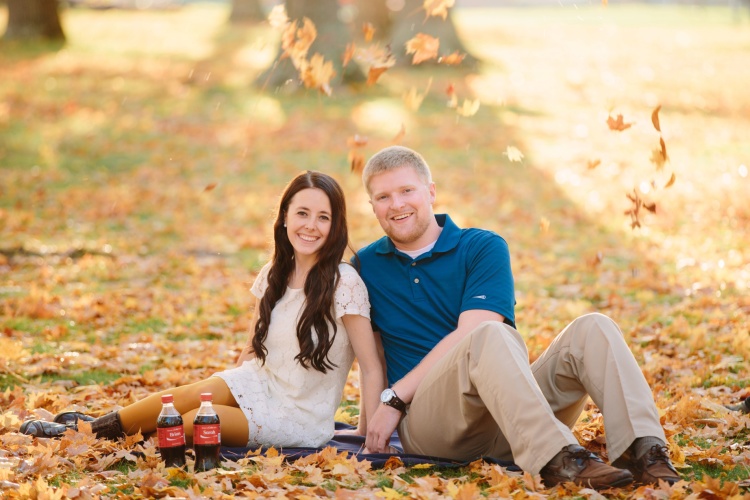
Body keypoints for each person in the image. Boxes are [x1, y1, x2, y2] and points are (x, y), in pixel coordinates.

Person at [354, 146, 680, 489]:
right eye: (383, 197)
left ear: (431, 191)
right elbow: (371, 358)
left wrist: (393, 396)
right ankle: (558, 459)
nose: (397, 204)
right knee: (489, 335)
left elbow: (474, 329)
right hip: (433, 426)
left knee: (593, 327)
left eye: (407, 190)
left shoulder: (481, 246)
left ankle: (643, 451)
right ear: (372, 205)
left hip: (514, 417)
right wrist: (376, 420)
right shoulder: (366, 265)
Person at [20, 171, 385, 452]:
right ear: (285, 217)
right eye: (302, 213)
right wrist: (230, 384)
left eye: (323, 217)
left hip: (299, 417)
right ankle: (92, 430)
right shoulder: (274, 273)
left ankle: (111, 439)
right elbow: (253, 348)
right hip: (259, 383)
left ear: (335, 225)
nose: (311, 225)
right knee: (190, 396)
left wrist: (367, 433)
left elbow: (370, 366)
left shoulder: (344, 282)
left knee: (197, 421)